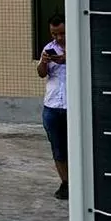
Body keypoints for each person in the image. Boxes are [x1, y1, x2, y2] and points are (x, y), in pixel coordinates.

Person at [37, 12, 68, 199]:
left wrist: (66, 59)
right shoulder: (49, 48)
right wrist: (44, 62)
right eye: (54, 34)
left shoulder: (79, 44)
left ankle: (81, 182)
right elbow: (42, 73)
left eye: (62, 33)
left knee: (76, 146)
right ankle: (65, 183)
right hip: (52, 105)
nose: (59, 37)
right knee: (57, 147)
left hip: (73, 107)